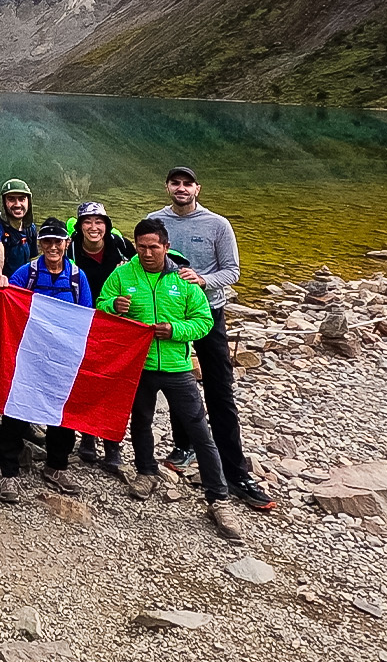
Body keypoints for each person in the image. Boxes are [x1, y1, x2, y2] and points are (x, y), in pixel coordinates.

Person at [96, 218, 244, 541]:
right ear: (134, 245)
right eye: (141, 246)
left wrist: (175, 330)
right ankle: (146, 471)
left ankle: (219, 498)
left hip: (177, 367)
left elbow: (203, 321)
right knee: (141, 421)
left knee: (199, 431)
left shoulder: (184, 280)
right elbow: (101, 306)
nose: (147, 253)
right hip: (139, 365)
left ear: (166, 247)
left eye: (154, 247)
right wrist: (113, 306)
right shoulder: (123, 275)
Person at [153, 167, 277, 512]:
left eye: (187, 183)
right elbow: (145, 259)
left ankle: (235, 472)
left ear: (197, 189)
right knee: (177, 381)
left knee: (219, 389)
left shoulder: (217, 224)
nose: (181, 188)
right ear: (167, 187)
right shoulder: (156, 220)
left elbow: (233, 271)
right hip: (170, 316)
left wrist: (203, 280)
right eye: (175, 183)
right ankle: (184, 445)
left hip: (208, 313)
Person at [0, 218, 93, 500]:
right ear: (39, 244)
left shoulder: (78, 277)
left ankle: (57, 465)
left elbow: (85, 316)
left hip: (63, 356)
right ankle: (9, 473)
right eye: (47, 241)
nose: (52, 247)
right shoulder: (25, 273)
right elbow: (8, 304)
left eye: (58, 241)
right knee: (16, 408)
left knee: (62, 411)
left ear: (67, 244)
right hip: (29, 353)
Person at [70, 201, 135, 473]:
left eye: (99, 222)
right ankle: (86, 436)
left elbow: (142, 268)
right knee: (86, 380)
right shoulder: (71, 247)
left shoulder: (120, 246)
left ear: (106, 225)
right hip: (83, 322)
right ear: (80, 225)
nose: (93, 227)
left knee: (114, 383)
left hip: (116, 324)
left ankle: (111, 443)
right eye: (88, 222)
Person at [0, 179, 37, 287]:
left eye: (22, 199)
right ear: (4, 202)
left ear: (28, 201)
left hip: (22, 286)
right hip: (0, 286)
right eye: (11, 199)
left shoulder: (30, 228)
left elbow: (32, 259)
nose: (17, 204)